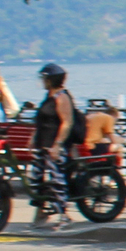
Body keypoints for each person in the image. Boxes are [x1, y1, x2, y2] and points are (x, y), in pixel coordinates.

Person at [30, 62, 84, 230]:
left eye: (45, 78)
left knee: (56, 180)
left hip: (55, 145)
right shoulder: (49, 96)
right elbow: (42, 121)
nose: (42, 81)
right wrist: (33, 138)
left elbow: (66, 123)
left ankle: (64, 214)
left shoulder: (62, 97)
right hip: (42, 144)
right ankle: (41, 211)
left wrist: (57, 145)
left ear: (52, 79)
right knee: (36, 179)